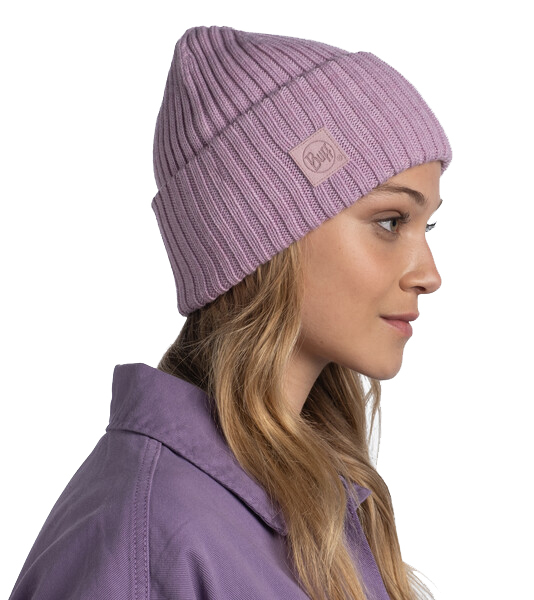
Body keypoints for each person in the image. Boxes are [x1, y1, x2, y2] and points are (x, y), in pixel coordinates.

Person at [9, 25, 452, 600]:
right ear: (264, 241)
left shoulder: (306, 495)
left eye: (428, 225)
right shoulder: (147, 540)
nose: (429, 274)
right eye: (390, 222)